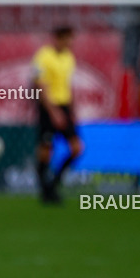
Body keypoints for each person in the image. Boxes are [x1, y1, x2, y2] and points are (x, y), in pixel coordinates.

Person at [33, 26, 83, 204]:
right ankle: (45, 190)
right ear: (57, 38)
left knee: (77, 148)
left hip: (64, 106)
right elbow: (40, 86)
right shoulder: (43, 56)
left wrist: (72, 111)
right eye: (66, 39)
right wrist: (53, 111)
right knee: (46, 151)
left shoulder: (69, 58)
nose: (69, 43)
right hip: (48, 107)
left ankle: (53, 184)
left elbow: (67, 85)